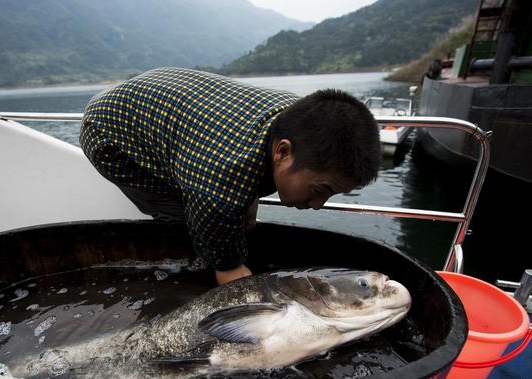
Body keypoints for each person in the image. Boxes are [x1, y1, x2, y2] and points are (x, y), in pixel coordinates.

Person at [80, 67, 380, 285]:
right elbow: (217, 212)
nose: (317, 205)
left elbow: (246, 172)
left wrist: (246, 201)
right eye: (320, 190)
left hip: (169, 104)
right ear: (283, 153)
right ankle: (182, 272)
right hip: (110, 133)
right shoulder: (219, 181)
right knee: (187, 218)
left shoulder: (298, 120)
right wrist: (229, 269)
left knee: (225, 209)